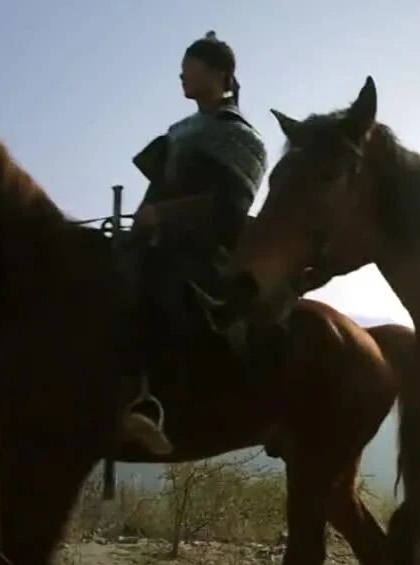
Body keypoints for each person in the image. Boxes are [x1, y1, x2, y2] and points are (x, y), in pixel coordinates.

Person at [120, 31, 268, 444]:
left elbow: (228, 207)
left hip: (204, 249)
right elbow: (156, 192)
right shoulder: (178, 131)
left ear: (219, 73)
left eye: (190, 67)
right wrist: (138, 227)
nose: (182, 75)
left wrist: (164, 215)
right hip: (155, 240)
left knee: (160, 284)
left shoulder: (241, 136)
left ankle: (151, 400)